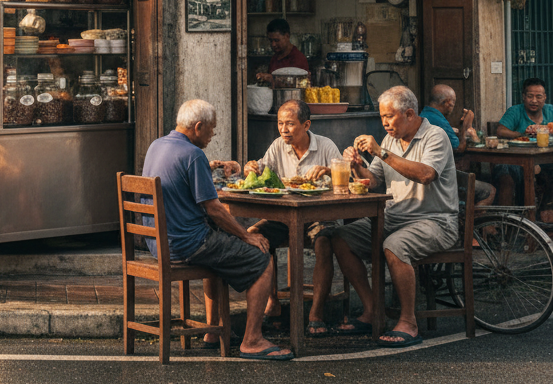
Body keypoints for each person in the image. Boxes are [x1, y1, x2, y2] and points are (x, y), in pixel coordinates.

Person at [141, 98, 292, 359]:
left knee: (219, 246)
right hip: (187, 244)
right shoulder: (193, 154)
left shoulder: (157, 145)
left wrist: (209, 168)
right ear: (198, 127)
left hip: (158, 243)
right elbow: (214, 208)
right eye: (211, 128)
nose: (213, 134)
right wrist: (246, 236)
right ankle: (252, 340)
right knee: (261, 258)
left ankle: (212, 331)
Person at [328, 85, 459, 347]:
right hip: (393, 219)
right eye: (382, 117)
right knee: (339, 237)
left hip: (435, 222)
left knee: (395, 245)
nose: (385, 123)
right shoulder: (390, 139)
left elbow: (425, 175)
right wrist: (356, 166)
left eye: (390, 117)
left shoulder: (436, 136)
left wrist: (380, 151)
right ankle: (371, 309)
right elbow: (374, 181)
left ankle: (408, 322)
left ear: (410, 114)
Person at [242, 99, 342, 335]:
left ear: (306, 124)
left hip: (319, 216)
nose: (283, 129)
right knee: (254, 237)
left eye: (289, 124)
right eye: (280, 123)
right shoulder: (278, 145)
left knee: (324, 241)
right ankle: (272, 302)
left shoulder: (326, 147)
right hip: (285, 217)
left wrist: (329, 171)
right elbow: (262, 169)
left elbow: (346, 179)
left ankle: (316, 313)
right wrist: (251, 168)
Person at [421, 84, 495, 208]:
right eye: (453, 103)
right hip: (442, 178)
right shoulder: (437, 120)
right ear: (448, 103)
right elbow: (459, 148)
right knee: (490, 191)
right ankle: (473, 224)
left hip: (432, 175)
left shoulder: (425, 114)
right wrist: (466, 124)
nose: (453, 107)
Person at [494, 78, 553, 212]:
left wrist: (544, 129)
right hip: (516, 160)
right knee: (505, 172)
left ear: (544, 97)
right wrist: (521, 135)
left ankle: (545, 216)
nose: (534, 100)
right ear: (523, 97)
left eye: (538, 96)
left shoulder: (550, 111)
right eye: (530, 96)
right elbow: (500, 131)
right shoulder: (515, 111)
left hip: (546, 160)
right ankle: (507, 221)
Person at [254, 19, 310, 86]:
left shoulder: (298, 58)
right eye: (271, 41)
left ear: (287, 36)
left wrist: (271, 79)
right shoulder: (275, 58)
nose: (273, 44)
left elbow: (298, 84)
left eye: (276, 40)